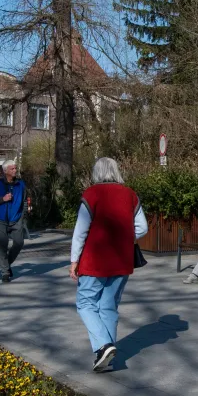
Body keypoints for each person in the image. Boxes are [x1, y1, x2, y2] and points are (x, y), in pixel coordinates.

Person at [69, 158, 148, 372]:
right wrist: (125, 238)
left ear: (96, 173)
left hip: (94, 259)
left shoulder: (91, 194)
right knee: (108, 306)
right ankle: (106, 358)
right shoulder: (130, 194)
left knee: (85, 304)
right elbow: (142, 227)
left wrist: (74, 260)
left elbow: (81, 230)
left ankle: (104, 345)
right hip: (121, 259)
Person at [0, 160, 27, 283]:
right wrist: (2, 199)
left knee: (19, 242)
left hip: (16, 218)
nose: (15, 171)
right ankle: (5, 273)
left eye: (15, 168)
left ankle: (6, 264)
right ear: (5, 171)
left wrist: (23, 215)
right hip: (1, 218)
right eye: (12, 169)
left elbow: (24, 201)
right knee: (2, 246)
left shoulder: (21, 184)